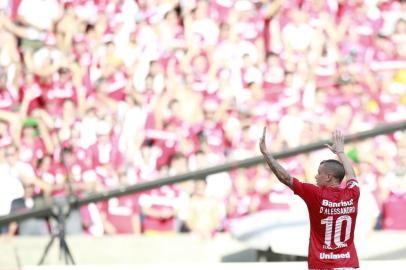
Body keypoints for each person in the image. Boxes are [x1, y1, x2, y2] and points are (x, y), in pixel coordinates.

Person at [259, 128, 360, 270]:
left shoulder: (315, 194)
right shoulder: (353, 193)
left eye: (319, 173)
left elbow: (285, 178)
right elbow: (351, 175)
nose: (316, 176)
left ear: (329, 177)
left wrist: (267, 155)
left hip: (322, 265)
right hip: (348, 264)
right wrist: (341, 153)